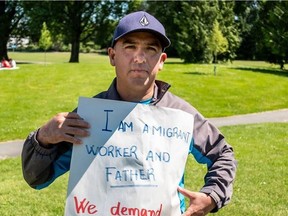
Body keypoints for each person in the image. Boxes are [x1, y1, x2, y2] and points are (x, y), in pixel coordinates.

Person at [21, 11, 237, 215]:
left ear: (161, 61)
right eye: (130, 47)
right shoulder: (89, 117)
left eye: (150, 49)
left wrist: (212, 196)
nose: (140, 58)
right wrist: (43, 139)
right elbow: (37, 178)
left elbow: (222, 154)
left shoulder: (179, 115)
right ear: (112, 56)